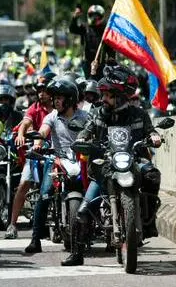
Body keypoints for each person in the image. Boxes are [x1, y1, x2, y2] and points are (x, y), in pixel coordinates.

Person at [61, 64, 162, 266]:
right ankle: (77, 253)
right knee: (83, 209)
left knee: (152, 175)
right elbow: (85, 132)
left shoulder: (139, 114)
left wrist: (154, 136)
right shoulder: (97, 114)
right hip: (104, 165)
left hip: (134, 160)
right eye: (103, 94)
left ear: (120, 96)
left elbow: (151, 131)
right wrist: (83, 139)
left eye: (107, 95)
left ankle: (149, 223)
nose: (103, 98)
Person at [25, 77, 88, 253]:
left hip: (81, 160)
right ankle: (35, 239)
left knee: (98, 191)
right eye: (55, 98)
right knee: (44, 195)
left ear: (70, 99)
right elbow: (43, 131)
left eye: (60, 97)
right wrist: (38, 141)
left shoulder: (85, 117)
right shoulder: (51, 117)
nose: (56, 101)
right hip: (57, 161)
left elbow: (95, 134)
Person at [5, 72, 55, 239]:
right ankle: (12, 224)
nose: (41, 93)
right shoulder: (34, 107)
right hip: (36, 151)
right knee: (24, 183)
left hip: (57, 153)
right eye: (39, 89)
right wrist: (20, 134)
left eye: (45, 89)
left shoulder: (59, 107)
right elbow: (25, 123)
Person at [69, 4, 115, 79]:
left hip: (101, 65)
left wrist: (111, 60)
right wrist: (75, 17)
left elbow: (110, 49)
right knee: (87, 85)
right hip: (87, 63)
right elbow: (72, 29)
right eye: (92, 15)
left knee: (100, 86)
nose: (94, 18)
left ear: (101, 16)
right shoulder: (84, 27)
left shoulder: (105, 30)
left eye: (97, 16)